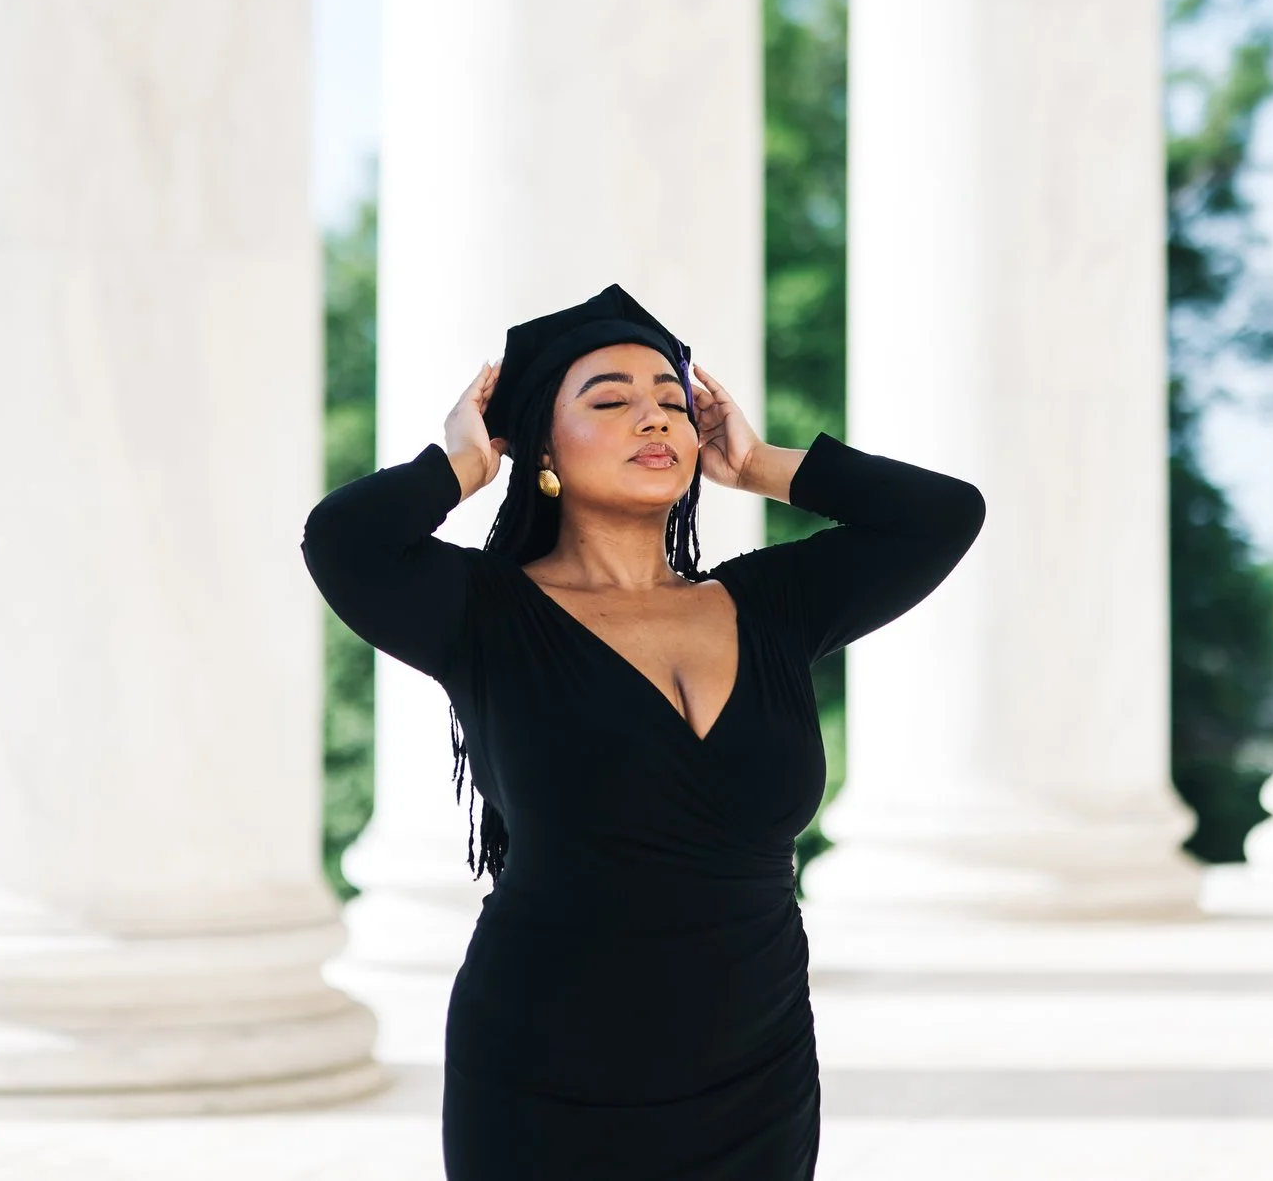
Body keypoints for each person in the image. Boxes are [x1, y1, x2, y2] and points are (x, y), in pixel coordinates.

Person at [302, 284, 985, 1179]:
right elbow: (340, 540)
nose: (654, 418)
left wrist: (765, 463)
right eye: (611, 400)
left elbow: (944, 513)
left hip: (756, 1067)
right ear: (542, 447)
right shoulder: (483, 612)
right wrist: (461, 465)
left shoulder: (769, 606)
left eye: (671, 399)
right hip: (546, 1070)